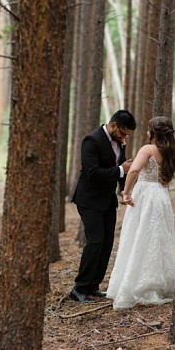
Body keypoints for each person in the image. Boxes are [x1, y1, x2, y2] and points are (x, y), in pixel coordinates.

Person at [106, 117, 175, 310]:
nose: (147, 133)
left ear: (154, 132)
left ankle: (136, 284)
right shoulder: (170, 151)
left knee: (138, 235)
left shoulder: (147, 149)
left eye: (149, 130)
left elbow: (133, 171)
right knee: (156, 237)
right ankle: (158, 282)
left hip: (145, 195)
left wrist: (126, 193)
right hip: (161, 195)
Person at [70, 110, 136, 303]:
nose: (124, 138)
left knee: (107, 243)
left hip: (108, 200)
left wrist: (124, 191)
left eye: (127, 135)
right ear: (113, 125)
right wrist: (120, 170)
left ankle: (93, 285)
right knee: (95, 241)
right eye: (123, 133)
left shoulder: (119, 140)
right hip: (89, 200)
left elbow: (122, 168)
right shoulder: (91, 141)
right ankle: (79, 288)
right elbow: (93, 173)